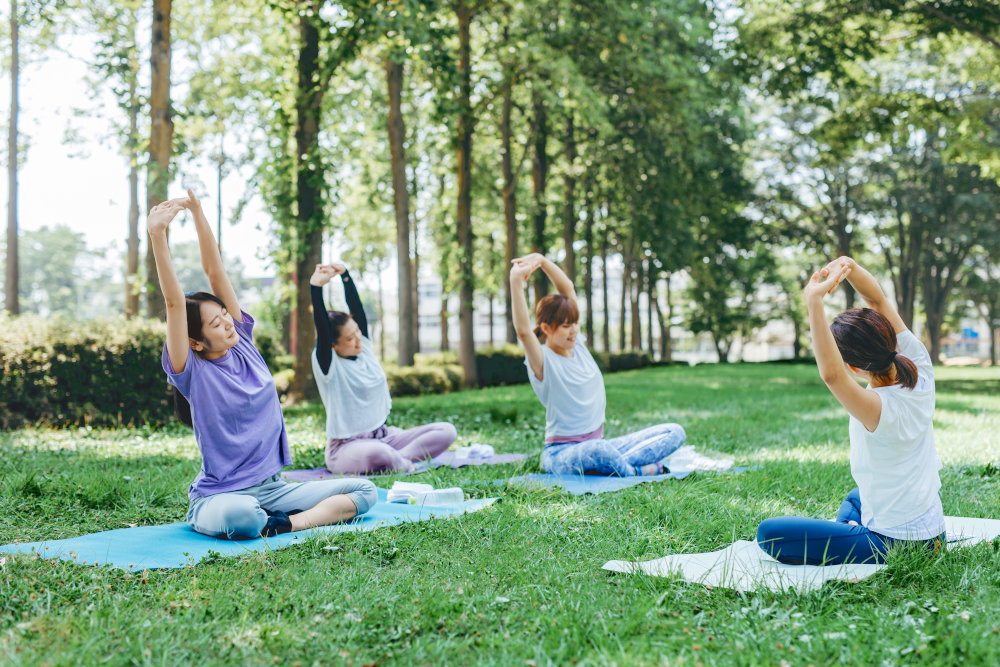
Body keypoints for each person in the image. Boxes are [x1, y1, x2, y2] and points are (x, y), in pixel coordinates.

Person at [150, 192, 377, 539]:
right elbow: (174, 304)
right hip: (222, 496)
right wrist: (157, 235)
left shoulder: (243, 342)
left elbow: (215, 271)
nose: (227, 322)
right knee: (244, 517)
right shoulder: (192, 371)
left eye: (224, 314)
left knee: (365, 492)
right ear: (195, 342)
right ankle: (261, 518)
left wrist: (197, 212)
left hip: (274, 489)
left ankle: (289, 523)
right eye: (215, 324)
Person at [756, 257, 945, 565]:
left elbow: (831, 375)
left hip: (897, 544)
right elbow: (877, 298)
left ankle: (852, 534)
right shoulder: (919, 367)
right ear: (890, 338)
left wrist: (813, 299)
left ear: (854, 367)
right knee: (857, 496)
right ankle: (850, 530)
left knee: (770, 534)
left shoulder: (879, 408)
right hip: (934, 535)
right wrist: (850, 267)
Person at [509, 253, 686, 476]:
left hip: (599, 445)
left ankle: (614, 467)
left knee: (674, 432)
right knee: (600, 451)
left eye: (575, 323)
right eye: (565, 325)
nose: (573, 330)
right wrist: (516, 280)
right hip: (561, 454)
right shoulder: (543, 360)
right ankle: (636, 472)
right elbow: (523, 331)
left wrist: (543, 262)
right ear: (546, 329)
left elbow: (567, 288)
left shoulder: (578, 346)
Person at [310, 263, 457, 474]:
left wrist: (345, 275)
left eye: (358, 332)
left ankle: (398, 459)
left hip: (385, 437)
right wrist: (316, 286)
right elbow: (323, 329)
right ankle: (398, 462)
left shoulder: (365, 349)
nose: (358, 339)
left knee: (446, 431)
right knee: (379, 453)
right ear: (334, 345)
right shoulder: (328, 365)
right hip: (347, 448)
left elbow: (357, 310)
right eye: (350, 338)